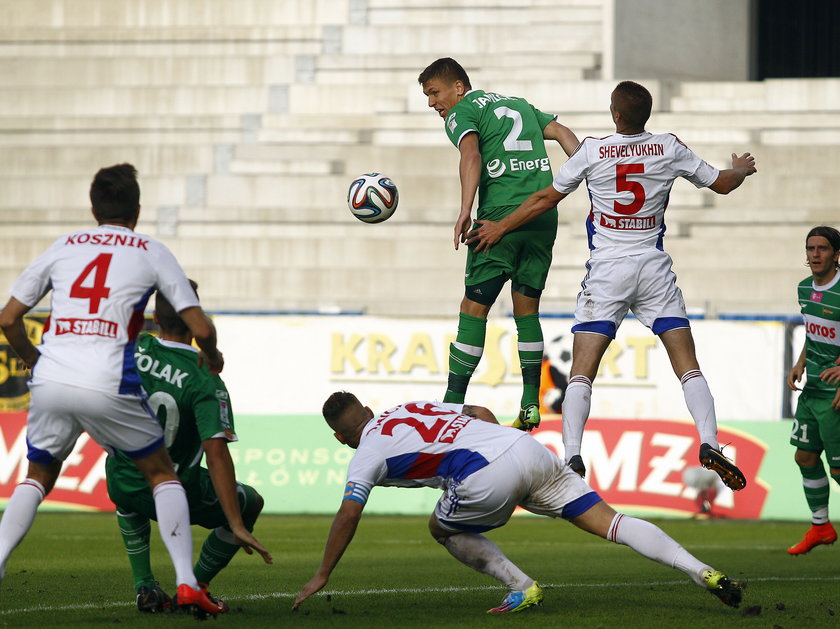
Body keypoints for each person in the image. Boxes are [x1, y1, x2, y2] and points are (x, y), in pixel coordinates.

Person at [465, 81, 757, 490]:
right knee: (687, 365)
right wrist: (741, 169)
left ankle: (572, 456)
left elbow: (543, 200)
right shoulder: (668, 147)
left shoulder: (593, 150)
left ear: (615, 114)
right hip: (654, 269)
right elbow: (722, 183)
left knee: (583, 371)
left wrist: (501, 226)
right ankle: (709, 442)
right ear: (646, 115)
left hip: (607, 270)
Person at [0, 163, 235, 616]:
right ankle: (187, 583)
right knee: (161, 473)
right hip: (107, 377)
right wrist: (214, 354)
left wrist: (33, 359)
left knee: (38, 475)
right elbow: (199, 325)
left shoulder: (63, 247)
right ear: (138, 210)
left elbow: (8, 318)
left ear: (93, 208)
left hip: (51, 377)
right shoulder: (150, 249)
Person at [293, 393, 743, 614]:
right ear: (368, 410)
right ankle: (703, 571)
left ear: (339, 437)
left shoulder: (366, 452)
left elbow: (349, 512)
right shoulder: (410, 406)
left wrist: (322, 573)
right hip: (524, 448)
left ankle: (522, 586)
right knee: (612, 521)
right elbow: (479, 413)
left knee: (441, 528)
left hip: (482, 476)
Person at [418, 57, 580, 431]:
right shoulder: (519, 104)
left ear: (458, 87)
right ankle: (529, 404)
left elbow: (471, 154)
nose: (432, 103)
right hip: (541, 216)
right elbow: (564, 132)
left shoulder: (461, 113)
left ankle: (452, 404)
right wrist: (584, 170)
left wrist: (465, 209)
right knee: (527, 312)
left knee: (473, 310)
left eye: (434, 93)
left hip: (499, 221)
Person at [106, 280, 272, 612]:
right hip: (176, 492)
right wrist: (235, 522)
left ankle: (145, 587)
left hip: (122, 482)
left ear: (155, 316)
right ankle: (193, 587)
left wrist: (37, 358)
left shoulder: (130, 347)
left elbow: (83, 353)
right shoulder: (204, 378)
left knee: (128, 484)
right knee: (250, 501)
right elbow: (216, 451)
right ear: (197, 320)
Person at [786, 225, 840, 555]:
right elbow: (813, 332)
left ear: (836, 254)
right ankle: (820, 527)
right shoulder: (805, 288)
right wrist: (800, 362)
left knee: (838, 469)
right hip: (812, 389)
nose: (815, 254)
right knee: (804, 456)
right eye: (810, 248)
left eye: (822, 248)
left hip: (834, 392)